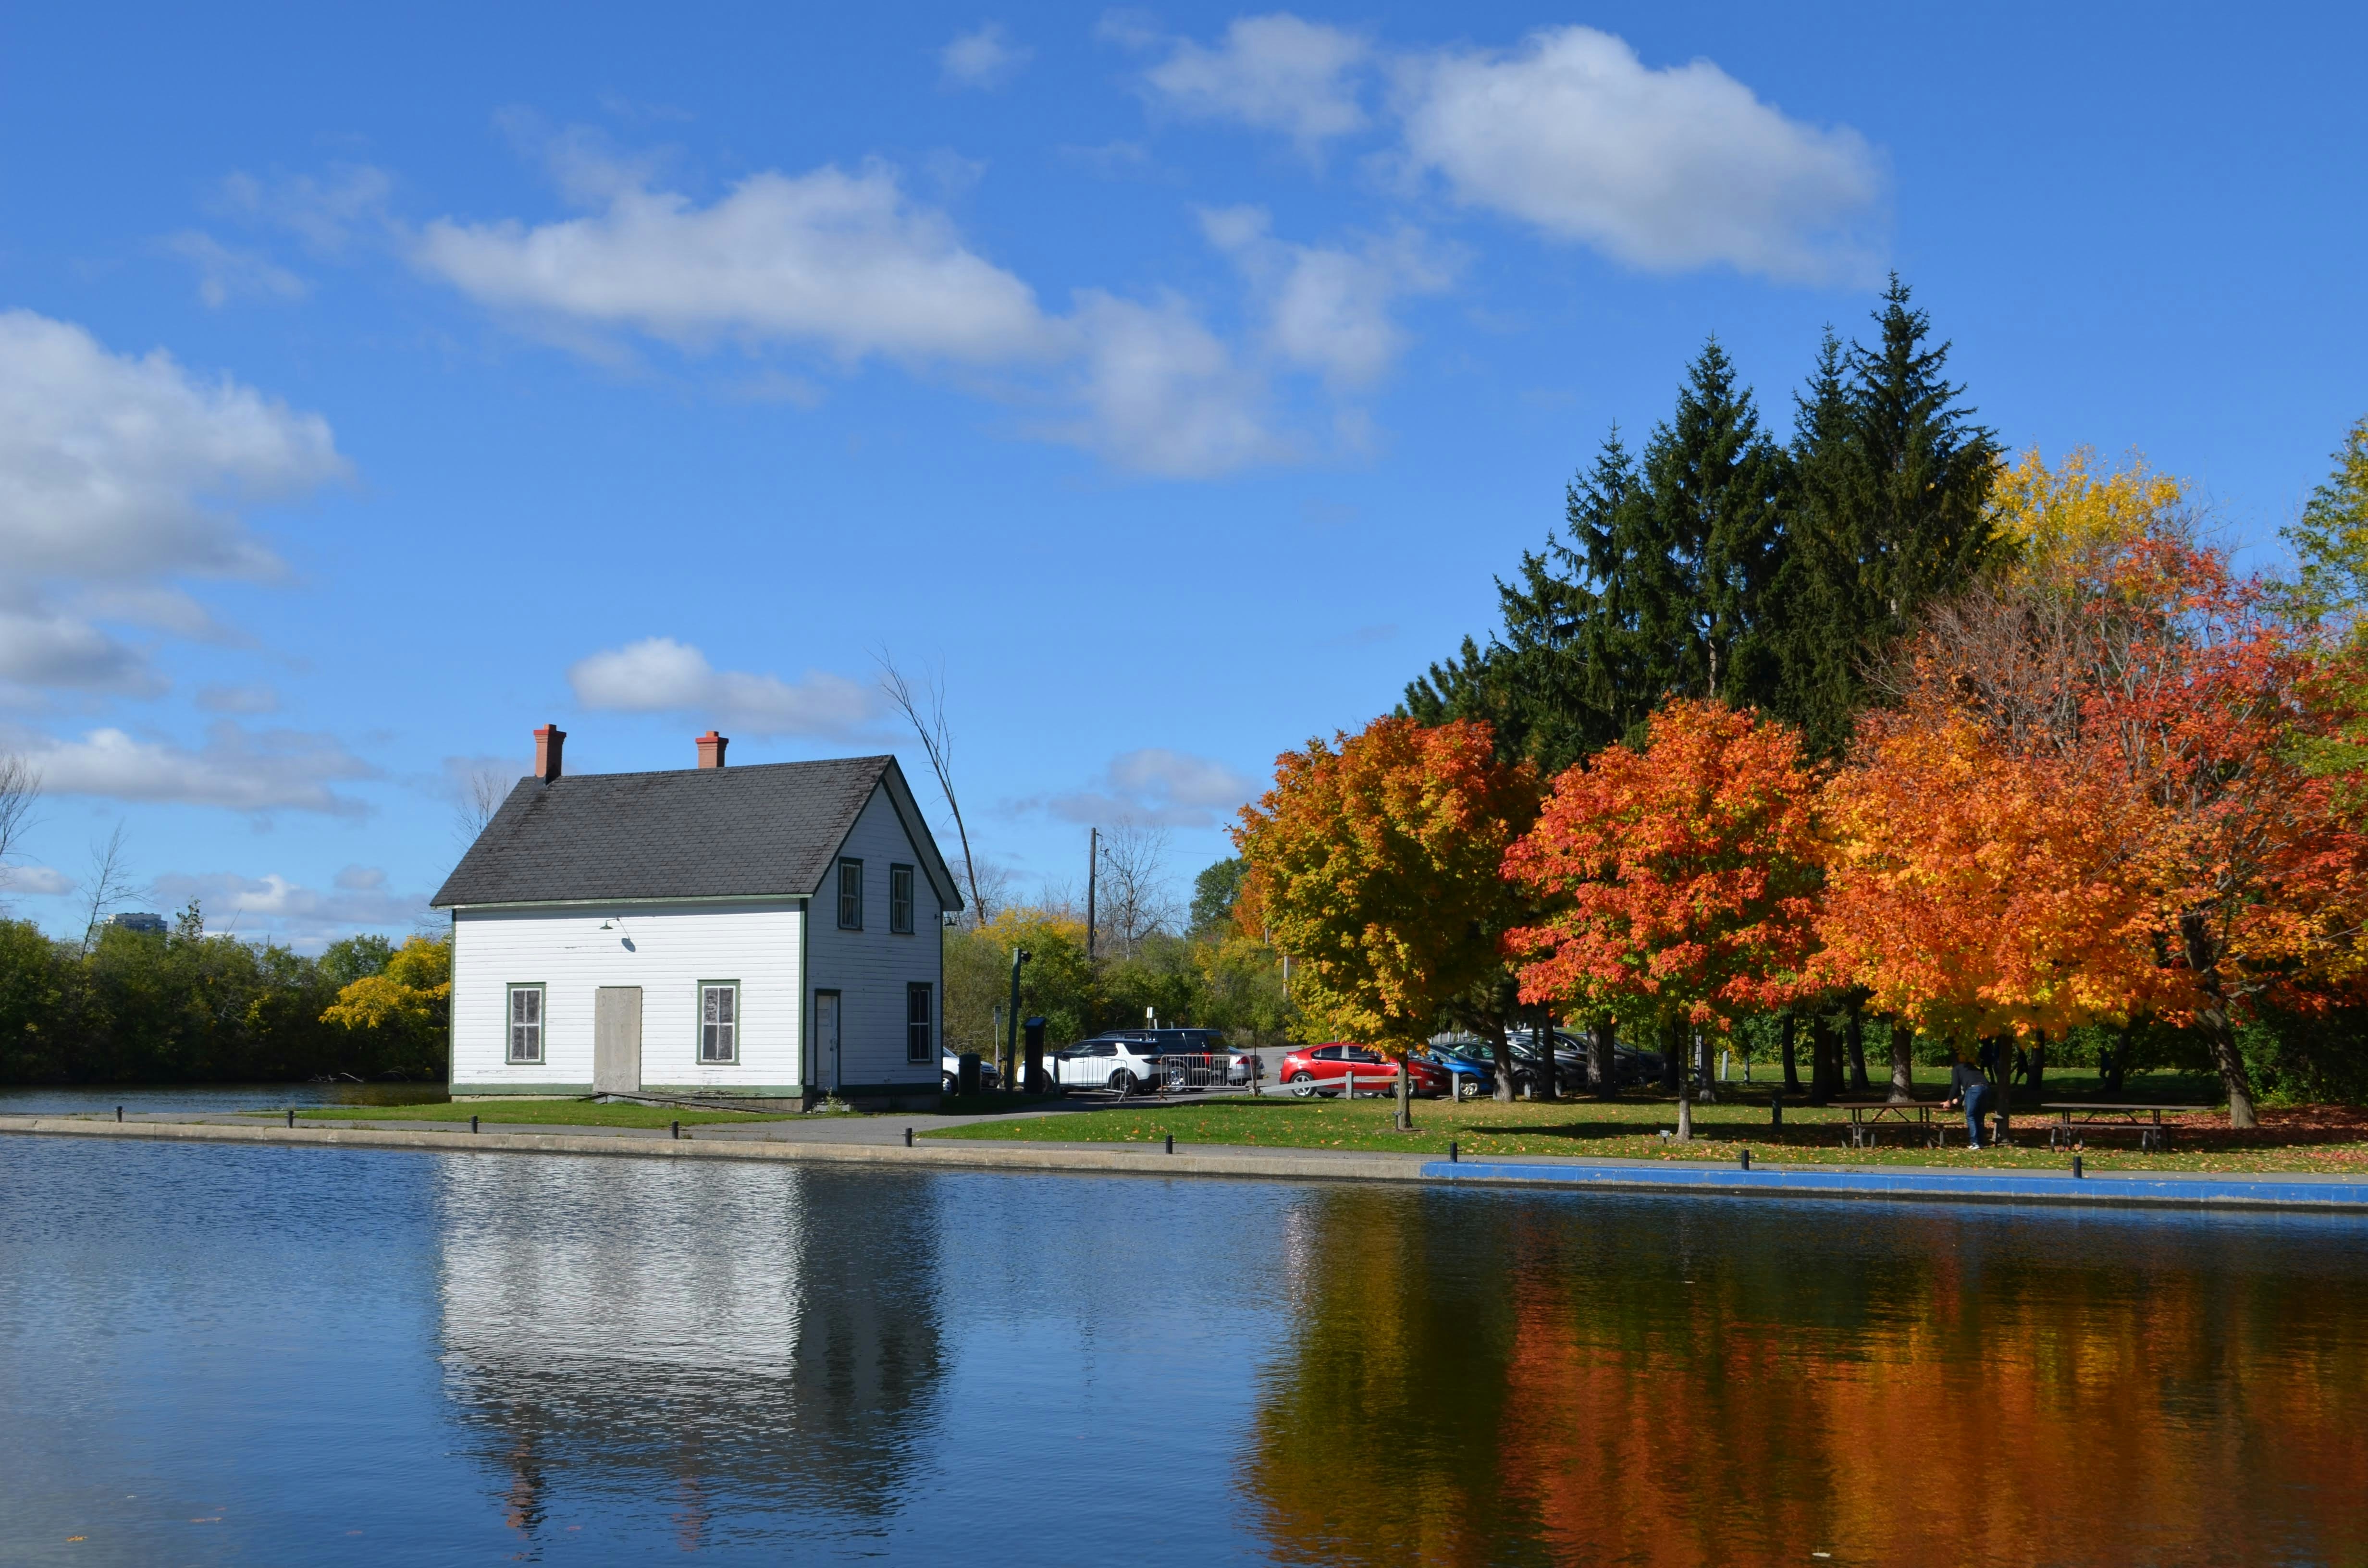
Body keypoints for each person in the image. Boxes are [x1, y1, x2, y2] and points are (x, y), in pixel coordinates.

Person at [1945, 1055, 1993, 1150]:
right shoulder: (1973, 1068)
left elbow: (1955, 1086)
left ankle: (1975, 1143)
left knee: (1971, 1115)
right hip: (1986, 1088)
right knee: (1980, 1116)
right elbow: (1971, 1087)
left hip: (1974, 1089)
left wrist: (1949, 1101)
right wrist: (1960, 1099)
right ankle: (1980, 1142)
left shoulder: (1956, 1069)